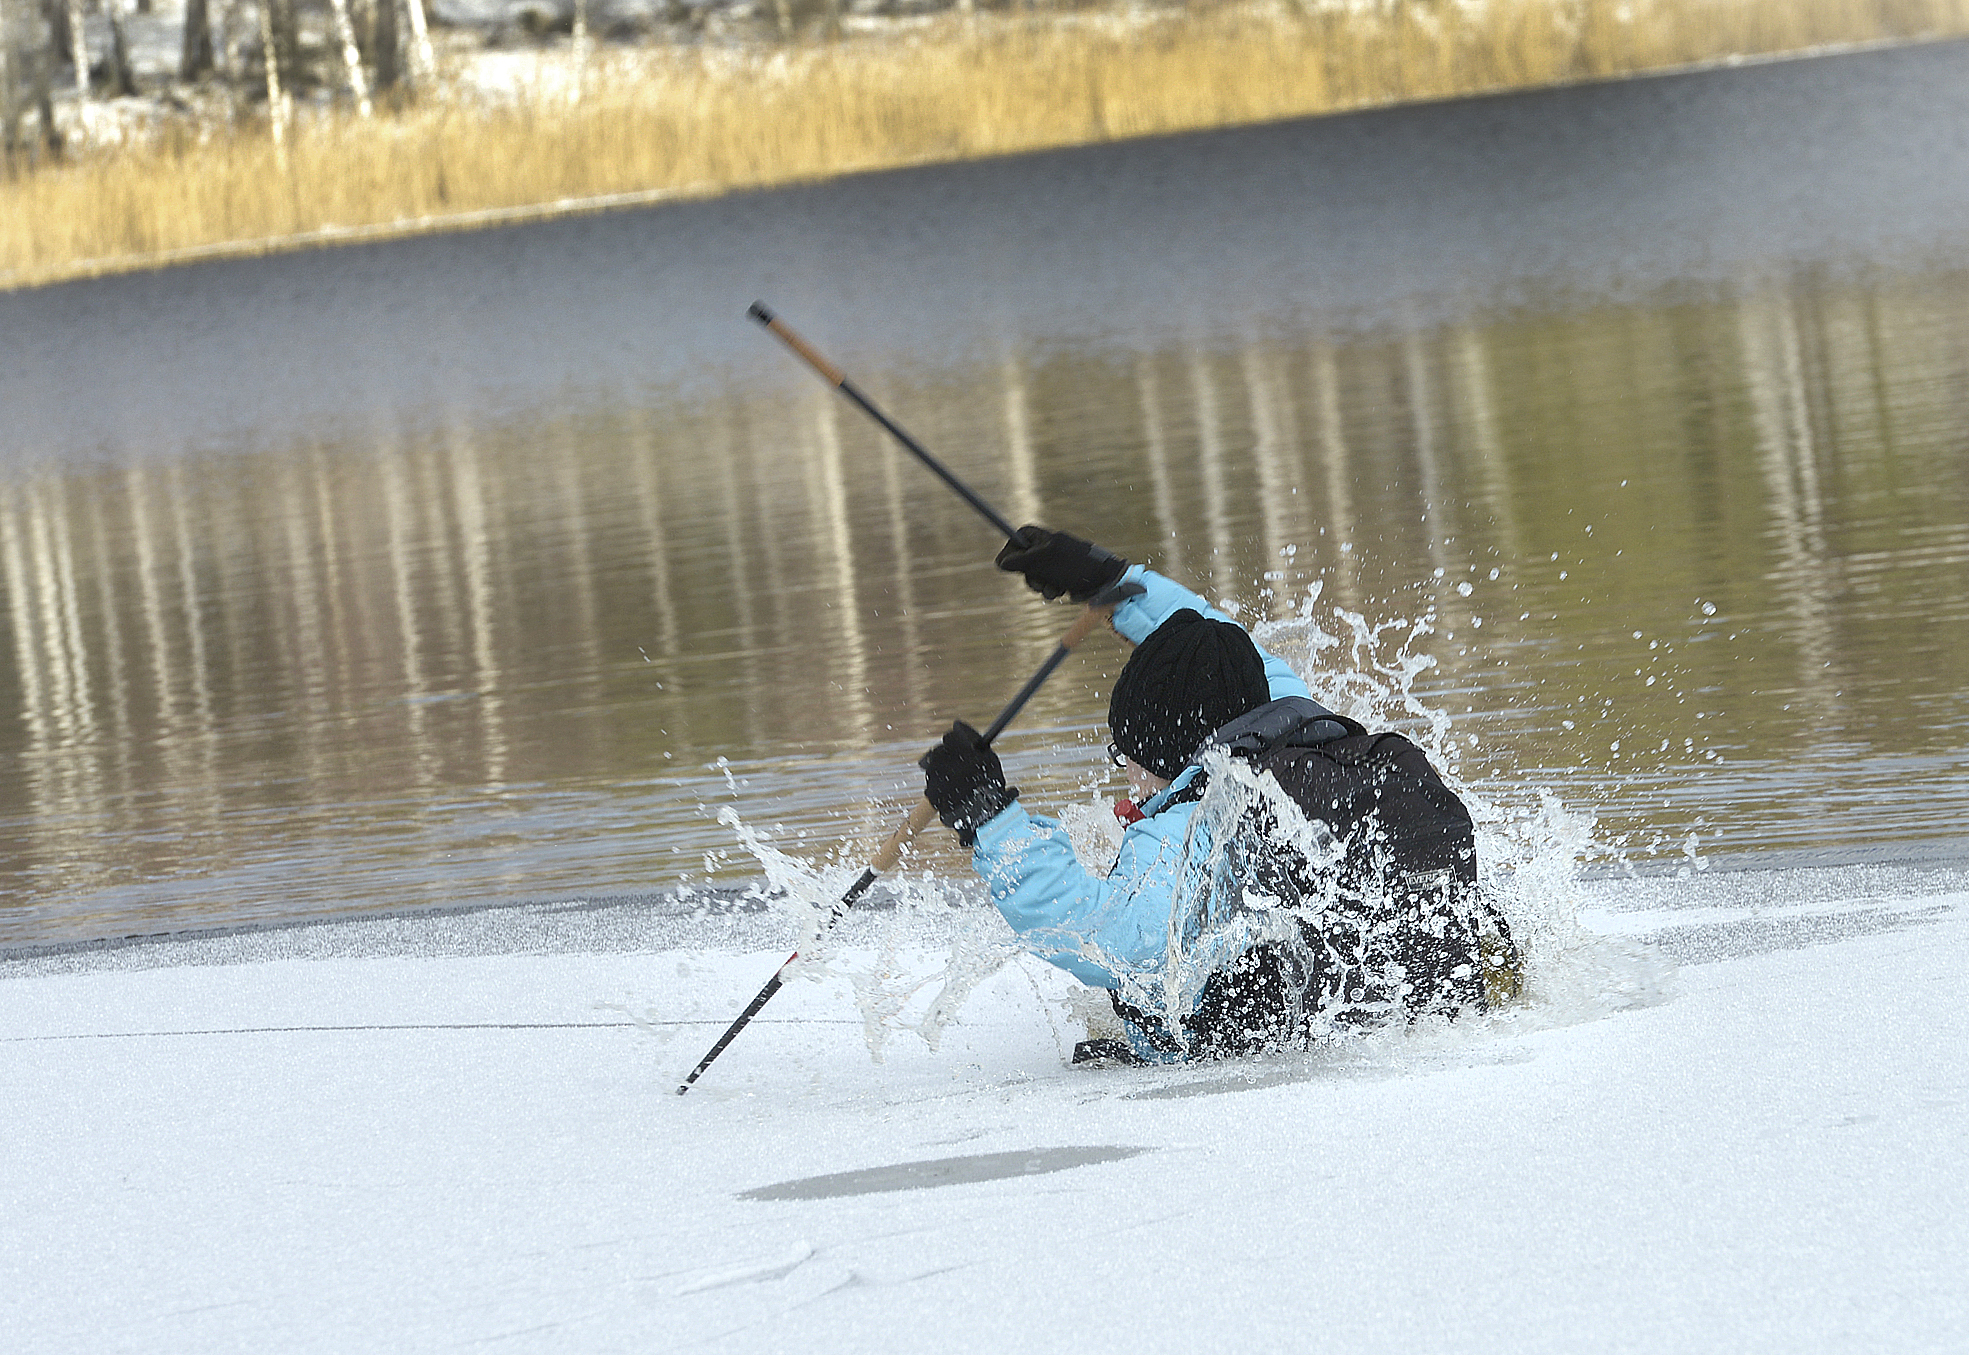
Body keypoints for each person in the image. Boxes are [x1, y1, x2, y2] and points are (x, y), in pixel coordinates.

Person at [918, 526, 1516, 1064]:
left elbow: (1110, 938)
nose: (1126, 775)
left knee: (1153, 979)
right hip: (1431, 983)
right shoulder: (1285, 719)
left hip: (1273, 1042)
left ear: (1169, 757)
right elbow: (1224, 646)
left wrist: (987, 817)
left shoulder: (1199, 818)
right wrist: (1112, 582)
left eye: (1127, 757)